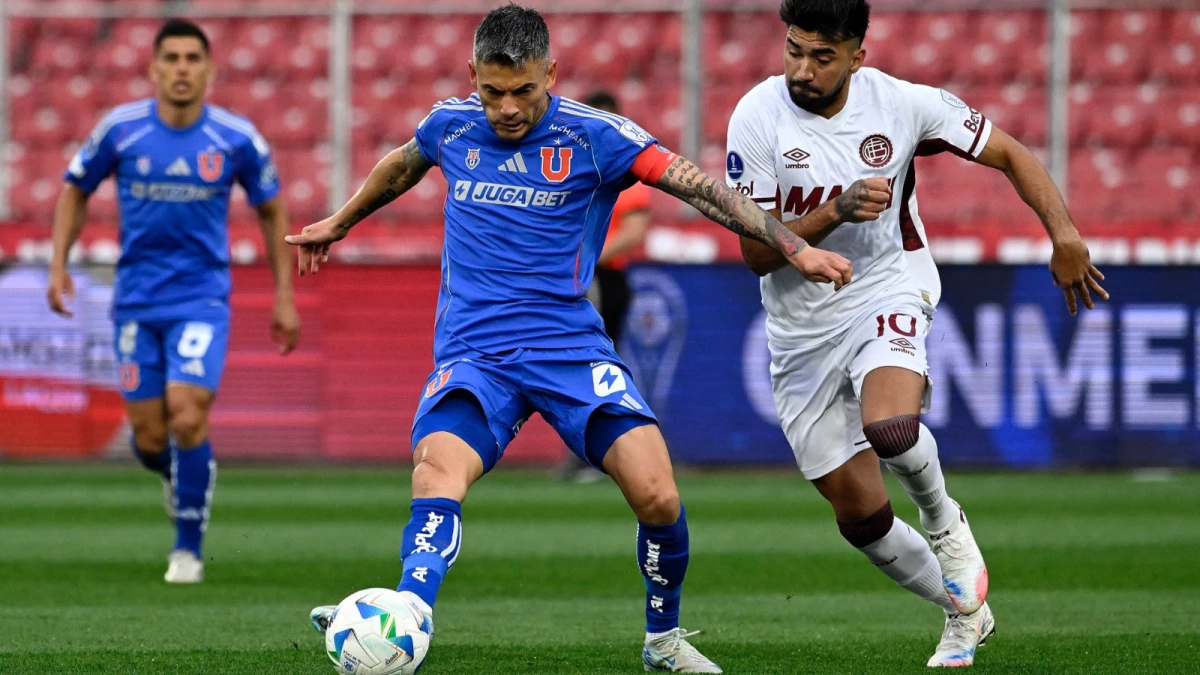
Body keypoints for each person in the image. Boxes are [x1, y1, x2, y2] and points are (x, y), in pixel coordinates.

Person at [293, 4, 858, 671]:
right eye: (492, 91)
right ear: (472, 75)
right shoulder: (450, 124)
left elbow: (701, 188)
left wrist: (792, 244)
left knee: (658, 494)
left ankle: (663, 640)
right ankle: (409, 609)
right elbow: (403, 163)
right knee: (436, 471)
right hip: (476, 354)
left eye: (524, 91)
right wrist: (341, 219)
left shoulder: (596, 138)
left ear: (551, 74)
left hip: (569, 348)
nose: (506, 108)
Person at [728, 0, 1108, 667]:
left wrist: (1065, 233)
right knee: (861, 517)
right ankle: (965, 613)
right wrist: (835, 209)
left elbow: (1012, 153)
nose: (803, 68)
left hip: (888, 284)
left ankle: (945, 525)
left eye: (822, 56)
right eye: (794, 50)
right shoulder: (756, 116)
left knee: (892, 428)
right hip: (799, 329)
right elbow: (756, 252)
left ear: (857, 56)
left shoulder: (903, 105)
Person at [47, 19, 300, 584]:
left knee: (187, 415)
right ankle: (182, 474)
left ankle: (187, 549)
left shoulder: (235, 138)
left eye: (192, 58)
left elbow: (272, 208)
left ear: (209, 70)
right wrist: (59, 263)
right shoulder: (121, 130)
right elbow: (75, 189)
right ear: (154, 68)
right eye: (172, 58)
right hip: (136, 299)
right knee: (150, 436)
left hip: (201, 298)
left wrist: (284, 296)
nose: (182, 68)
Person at [553, 89, 651, 484]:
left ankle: (610, 454)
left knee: (598, 371)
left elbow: (634, 232)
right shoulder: (571, 166)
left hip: (604, 279)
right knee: (579, 370)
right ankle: (590, 452)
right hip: (580, 279)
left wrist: (584, 259)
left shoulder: (624, 167)